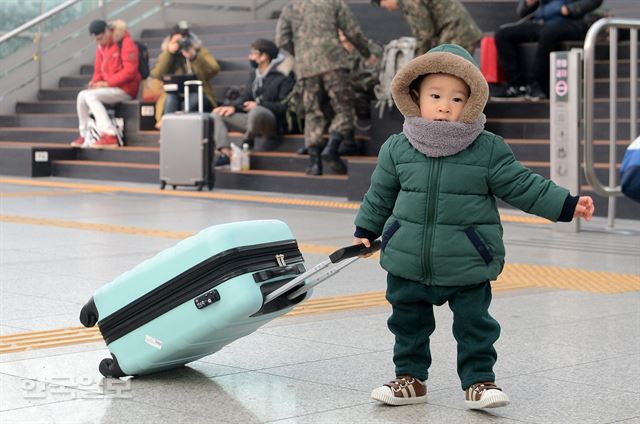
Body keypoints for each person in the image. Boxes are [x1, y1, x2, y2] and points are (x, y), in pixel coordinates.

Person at [352, 44, 594, 408]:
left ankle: (480, 382)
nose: (445, 106)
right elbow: (379, 195)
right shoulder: (397, 148)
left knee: (474, 325)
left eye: (457, 98)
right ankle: (410, 380)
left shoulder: (487, 149)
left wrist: (566, 204)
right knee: (407, 324)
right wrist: (366, 229)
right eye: (436, 96)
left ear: (473, 102)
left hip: (467, 258)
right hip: (406, 258)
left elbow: (523, 185)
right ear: (415, 97)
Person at [276, 0, 378, 175]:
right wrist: (367, 53)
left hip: (306, 68)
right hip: (334, 64)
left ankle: (315, 163)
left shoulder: (291, 7)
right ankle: (332, 148)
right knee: (344, 110)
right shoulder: (334, 3)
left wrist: (302, 52)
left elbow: (281, 39)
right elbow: (352, 31)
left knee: (312, 113)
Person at [494, 0, 603, 100]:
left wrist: (570, 9)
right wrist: (529, 3)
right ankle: (517, 85)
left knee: (548, 33)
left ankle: (536, 83)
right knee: (502, 35)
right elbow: (522, 12)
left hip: (572, 23)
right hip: (542, 23)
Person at [211, 39, 295, 167]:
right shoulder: (254, 75)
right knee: (216, 114)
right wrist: (233, 107)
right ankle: (226, 153)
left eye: (253, 53)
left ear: (264, 56)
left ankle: (247, 141)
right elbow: (245, 97)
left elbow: (284, 107)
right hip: (251, 119)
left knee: (256, 111)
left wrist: (259, 104)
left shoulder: (283, 77)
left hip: (271, 122)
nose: (250, 56)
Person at [70, 20, 140, 148]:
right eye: (95, 40)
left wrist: (107, 83)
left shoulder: (125, 42)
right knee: (82, 95)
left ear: (108, 31)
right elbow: (98, 70)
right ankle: (85, 135)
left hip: (125, 89)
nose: (98, 42)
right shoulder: (101, 47)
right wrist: (95, 83)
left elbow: (130, 72)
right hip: (109, 88)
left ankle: (109, 133)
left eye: (100, 38)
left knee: (91, 96)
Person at [150, 22, 220, 125]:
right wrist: (169, 53)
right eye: (177, 40)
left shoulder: (200, 52)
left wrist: (194, 57)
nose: (180, 42)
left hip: (198, 92)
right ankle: (168, 127)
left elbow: (214, 69)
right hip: (174, 93)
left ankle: (185, 126)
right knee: (170, 98)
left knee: (194, 98)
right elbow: (157, 74)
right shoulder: (167, 54)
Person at [372, 0, 482, 55]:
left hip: (456, 34)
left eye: (385, 5)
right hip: (461, 31)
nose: (389, 9)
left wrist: (419, 61)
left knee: (445, 73)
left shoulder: (409, 2)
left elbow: (425, 35)